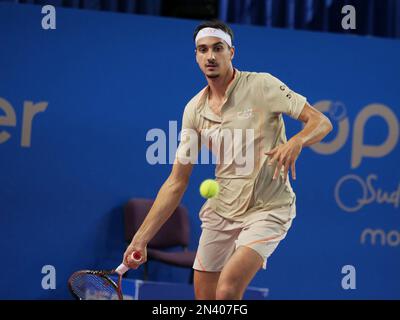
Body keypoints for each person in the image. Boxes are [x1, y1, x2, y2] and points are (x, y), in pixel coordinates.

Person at [123, 20, 333, 300]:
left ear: (231, 52)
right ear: (196, 56)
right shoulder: (194, 110)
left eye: (217, 48)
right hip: (221, 211)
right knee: (206, 299)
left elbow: (321, 122)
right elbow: (177, 181)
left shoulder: (262, 85)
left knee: (227, 289)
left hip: (268, 208)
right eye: (202, 49)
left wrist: (297, 141)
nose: (210, 56)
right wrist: (141, 238)